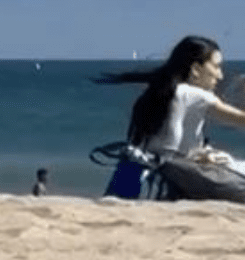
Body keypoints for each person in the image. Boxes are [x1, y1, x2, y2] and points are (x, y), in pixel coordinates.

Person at [94, 35, 245, 198]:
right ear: (195, 69)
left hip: (145, 169)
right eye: (216, 67)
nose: (220, 75)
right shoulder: (196, 95)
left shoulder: (160, 91)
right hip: (175, 173)